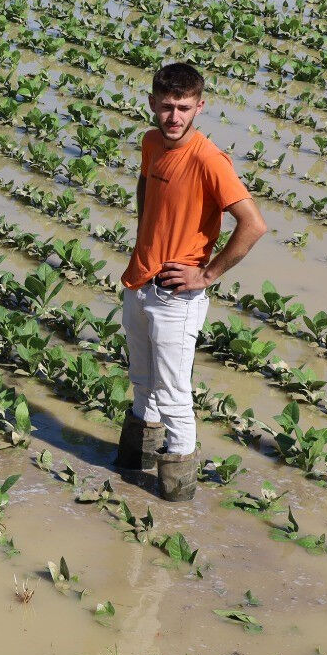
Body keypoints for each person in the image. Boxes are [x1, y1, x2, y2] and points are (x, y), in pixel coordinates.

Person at [115, 62, 266, 501]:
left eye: (183, 108)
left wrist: (206, 274)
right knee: (142, 381)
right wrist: (146, 229)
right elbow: (146, 182)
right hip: (140, 282)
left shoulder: (208, 159)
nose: (174, 117)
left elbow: (253, 225)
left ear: (200, 107)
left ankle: (176, 497)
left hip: (176, 298)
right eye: (166, 107)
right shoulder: (150, 143)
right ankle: (131, 468)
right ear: (152, 105)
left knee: (174, 393)